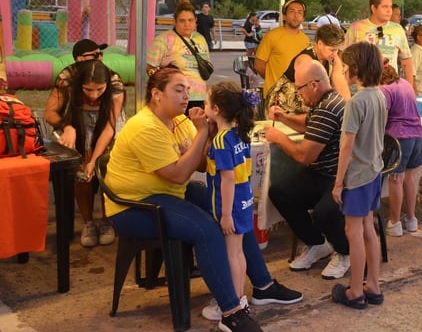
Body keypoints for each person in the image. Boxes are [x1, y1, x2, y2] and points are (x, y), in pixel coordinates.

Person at [105, 66, 302, 332]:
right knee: (207, 229)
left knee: (235, 212)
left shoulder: (180, 121)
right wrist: (201, 135)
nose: (186, 96)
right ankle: (231, 311)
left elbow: (198, 164)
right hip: (135, 206)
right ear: (156, 94)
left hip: (169, 192)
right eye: (178, 90)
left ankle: (263, 286)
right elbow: (178, 174)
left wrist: (204, 136)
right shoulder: (144, 127)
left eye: (187, 90)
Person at [265, 61, 350, 280]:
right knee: (280, 192)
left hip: (338, 178)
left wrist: (279, 138)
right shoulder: (324, 102)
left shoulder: (328, 107)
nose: (298, 94)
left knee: (324, 213)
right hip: (321, 173)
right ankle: (317, 244)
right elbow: (309, 123)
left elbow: (304, 156)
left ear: (314, 85)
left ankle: (344, 252)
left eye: (300, 88)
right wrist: (284, 117)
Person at [44, 53, 125, 247]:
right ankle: (88, 222)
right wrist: (67, 127)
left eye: (99, 89)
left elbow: (109, 128)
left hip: (107, 126)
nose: (94, 95)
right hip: (77, 123)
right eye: (88, 89)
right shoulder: (67, 79)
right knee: (82, 173)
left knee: (107, 170)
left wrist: (94, 160)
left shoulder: (115, 85)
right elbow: (49, 113)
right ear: (79, 84)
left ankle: (107, 221)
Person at [331, 42, 386, 309]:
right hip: (375, 171)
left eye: (346, 66)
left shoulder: (355, 102)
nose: (343, 70)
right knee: (368, 229)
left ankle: (355, 291)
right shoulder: (379, 96)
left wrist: (338, 182)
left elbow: (347, 145)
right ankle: (373, 285)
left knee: (353, 232)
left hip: (357, 176)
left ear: (356, 68)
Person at [204, 82, 257, 313]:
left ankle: (234, 303)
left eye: (206, 103)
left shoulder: (221, 140)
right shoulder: (239, 134)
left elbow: (227, 179)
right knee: (238, 252)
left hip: (231, 206)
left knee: (231, 255)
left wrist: (225, 215)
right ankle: (240, 297)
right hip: (244, 201)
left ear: (216, 109)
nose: (203, 107)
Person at [379, 62, 422, 236]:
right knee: (409, 178)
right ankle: (411, 219)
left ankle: (395, 222)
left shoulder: (384, 89)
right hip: (417, 134)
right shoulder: (405, 83)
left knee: (396, 179)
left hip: (399, 137)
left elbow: (382, 119)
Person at [264, 25, 349, 115]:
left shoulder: (330, 57)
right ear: (320, 44)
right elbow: (311, 92)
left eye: (337, 50)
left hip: (305, 105)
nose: (335, 54)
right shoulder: (305, 61)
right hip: (283, 106)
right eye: (332, 50)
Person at [147, 0, 211, 111]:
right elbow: (150, 69)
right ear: (174, 21)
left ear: (195, 21)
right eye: (182, 21)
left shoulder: (200, 39)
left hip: (199, 98)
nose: (187, 24)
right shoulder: (163, 40)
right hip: (175, 100)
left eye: (190, 20)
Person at [345, 0, 414, 88]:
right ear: (373, 8)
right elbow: (343, 57)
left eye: (390, 7)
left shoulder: (398, 29)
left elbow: (406, 59)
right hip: (362, 88)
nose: (389, 11)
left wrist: (409, 87)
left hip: (389, 87)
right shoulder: (356, 27)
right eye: (385, 7)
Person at [254, 0, 310, 94]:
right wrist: (273, 81)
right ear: (284, 16)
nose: (296, 15)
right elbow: (259, 65)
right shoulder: (272, 36)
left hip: (296, 95)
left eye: (299, 12)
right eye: (292, 11)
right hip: (275, 95)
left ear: (303, 18)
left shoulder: (305, 40)